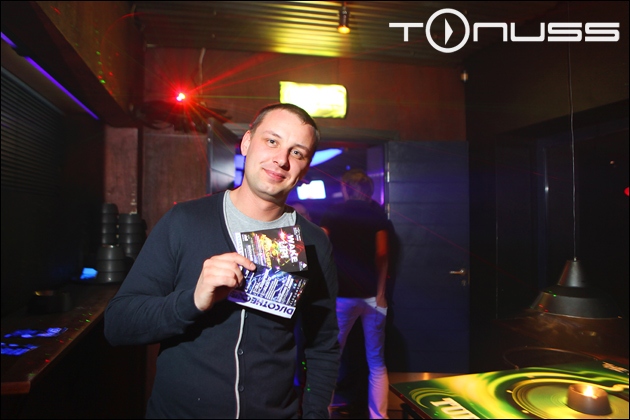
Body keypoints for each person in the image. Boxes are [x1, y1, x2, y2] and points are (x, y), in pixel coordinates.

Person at [104, 103, 340, 419]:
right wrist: (192, 301)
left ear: (305, 167)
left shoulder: (313, 242)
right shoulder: (184, 221)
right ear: (247, 142)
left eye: (297, 152)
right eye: (272, 141)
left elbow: (323, 345)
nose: (281, 159)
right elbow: (118, 324)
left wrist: (315, 414)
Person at [320, 168, 390, 419]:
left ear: (345, 188)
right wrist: (381, 293)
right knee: (376, 361)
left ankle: (323, 412)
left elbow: (321, 246)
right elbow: (382, 253)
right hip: (372, 296)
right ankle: (379, 417)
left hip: (341, 296)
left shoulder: (334, 211)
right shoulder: (376, 213)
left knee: (331, 357)